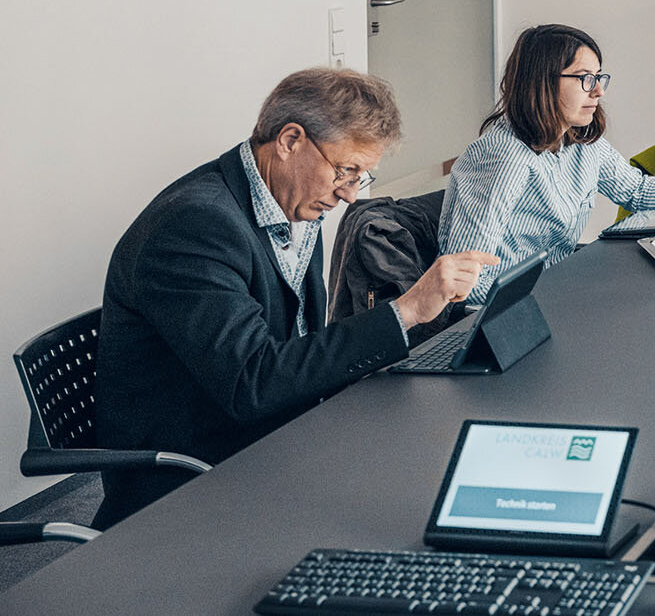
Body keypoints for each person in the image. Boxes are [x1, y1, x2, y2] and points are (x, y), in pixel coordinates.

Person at [96, 69, 496, 527]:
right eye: (345, 170)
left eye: (361, 176)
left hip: (279, 434)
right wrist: (403, 313)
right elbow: (255, 382)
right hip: (194, 478)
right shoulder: (194, 228)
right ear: (289, 141)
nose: (349, 195)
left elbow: (297, 346)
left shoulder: (289, 204)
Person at [438, 24, 655, 302]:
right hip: (504, 312)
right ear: (542, 82)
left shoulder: (582, 143)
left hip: (555, 292)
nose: (598, 91)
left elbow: (636, 190)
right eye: (585, 79)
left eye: (599, 78)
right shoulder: (501, 158)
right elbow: (464, 282)